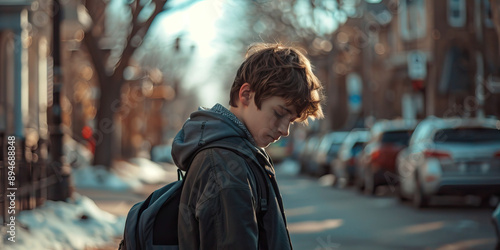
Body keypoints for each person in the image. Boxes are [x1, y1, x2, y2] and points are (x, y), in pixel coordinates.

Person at [171, 42, 324, 250]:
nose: (285, 130)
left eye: (291, 120)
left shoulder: (237, 155)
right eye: (279, 113)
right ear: (246, 95)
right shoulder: (224, 164)